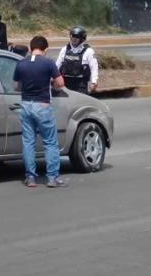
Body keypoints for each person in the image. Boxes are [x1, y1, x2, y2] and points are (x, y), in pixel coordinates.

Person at [13, 35, 68, 188]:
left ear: (31, 48)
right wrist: (51, 84)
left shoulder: (21, 63)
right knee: (50, 142)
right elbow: (60, 83)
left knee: (28, 142)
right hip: (42, 105)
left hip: (25, 105)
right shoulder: (48, 63)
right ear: (46, 49)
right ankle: (52, 178)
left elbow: (16, 87)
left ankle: (30, 177)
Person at [56, 26, 99, 94]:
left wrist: (94, 82)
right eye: (73, 36)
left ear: (82, 38)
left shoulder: (89, 51)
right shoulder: (64, 49)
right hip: (65, 83)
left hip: (80, 84)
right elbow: (57, 65)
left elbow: (94, 67)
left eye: (77, 37)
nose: (74, 38)